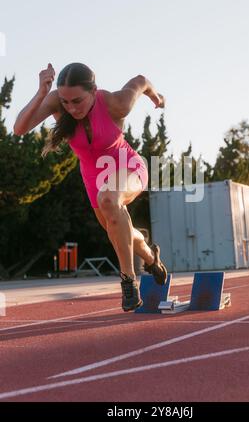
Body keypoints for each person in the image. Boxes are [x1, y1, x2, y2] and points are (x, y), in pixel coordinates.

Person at [14, 62, 168, 311]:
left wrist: (157, 97)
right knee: (118, 231)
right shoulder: (57, 101)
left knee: (109, 199)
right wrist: (42, 93)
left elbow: (140, 80)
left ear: (93, 91)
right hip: (94, 179)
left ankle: (129, 281)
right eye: (65, 102)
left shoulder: (116, 103)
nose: (71, 108)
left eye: (77, 101)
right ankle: (151, 259)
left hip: (127, 167)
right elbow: (20, 128)